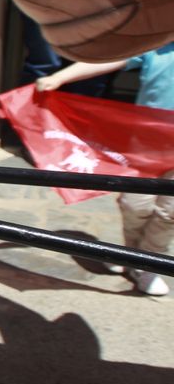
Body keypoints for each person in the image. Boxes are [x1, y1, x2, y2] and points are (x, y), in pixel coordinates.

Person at [38, 46, 174, 297]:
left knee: (170, 213)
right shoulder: (158, 45)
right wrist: (60, 77)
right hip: (146, 146)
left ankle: (149, 265)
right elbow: (111, 56)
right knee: (135, 205)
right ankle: (132, 254)